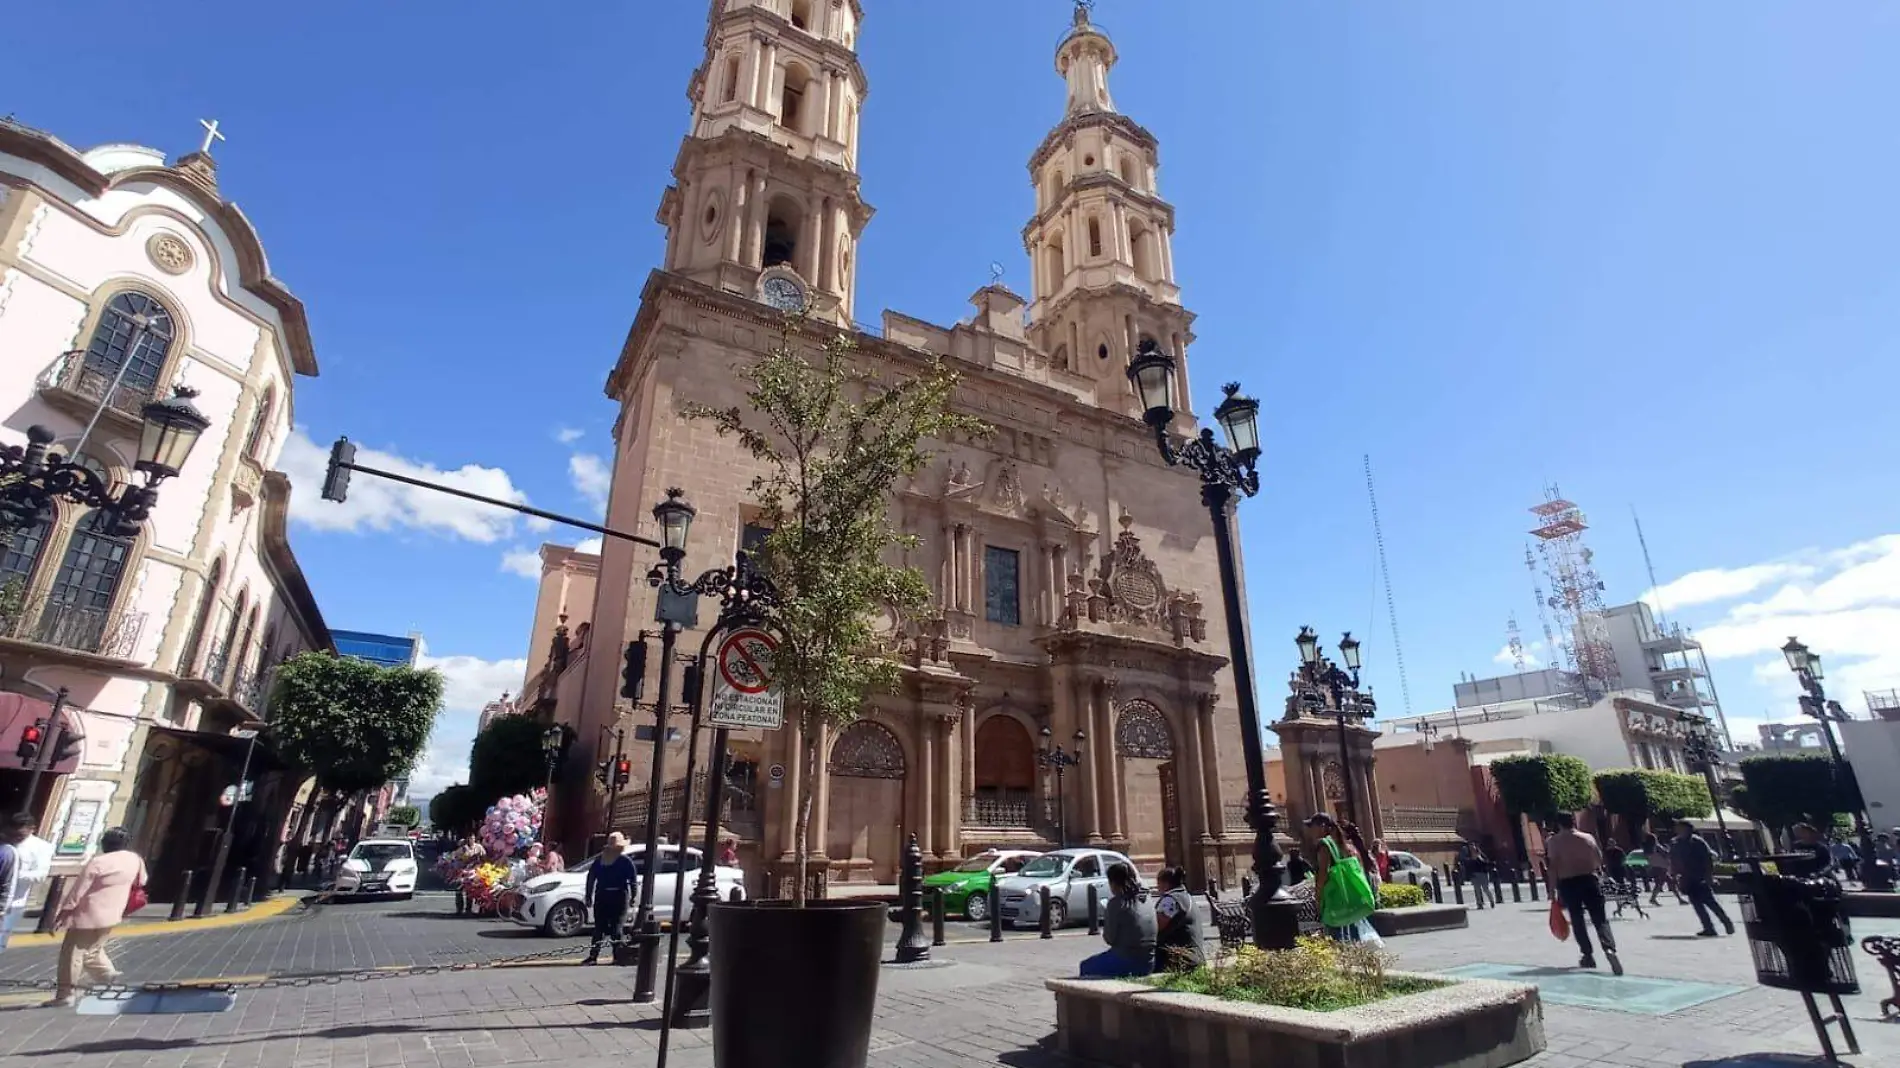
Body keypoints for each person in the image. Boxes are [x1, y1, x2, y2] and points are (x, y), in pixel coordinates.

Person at [46, 826, 145, 1006]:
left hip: (87, 914)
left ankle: (65, 994)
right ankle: (107, 975)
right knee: (94, 949)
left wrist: (64, 912)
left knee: (72, 954)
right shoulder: (134, 859)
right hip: (114, 912)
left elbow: (78, 891)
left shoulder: (98, 862)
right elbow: (142, 880)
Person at [1548, 814, 1620, 974]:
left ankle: (1587, 955)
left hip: (1568, 883)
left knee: (1577, 919)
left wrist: (1551, 889)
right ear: (1573, 822)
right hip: (1589, 879)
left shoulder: (1554, 841)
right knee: (1600, 918)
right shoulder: (1587, 837)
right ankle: (1609, 948)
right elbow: (1598, 859)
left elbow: (1553, 866)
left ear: (1559, 824)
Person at [1306, 813, 1383, 945]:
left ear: (1322, 827)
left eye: (1312, 826)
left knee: (1337, 937)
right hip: (1351, 900)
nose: (1310, 831)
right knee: (1352, 938)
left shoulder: (1324, 845)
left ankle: (1344, 961)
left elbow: (1323, 874)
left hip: (1335, 900)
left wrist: (1318, 898)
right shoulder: (1347, 847)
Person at [1078, 862, 1156, 978]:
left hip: (1126, 961)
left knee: (1085, 966)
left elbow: (1109, 938)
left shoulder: (1117, 903)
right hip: (1150, 961)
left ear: (1113, 883)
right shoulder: (1147, 898)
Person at [1670, 820, 1733, 937]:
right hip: (1687, 878)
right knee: (1697, 905)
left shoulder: (1698, 841)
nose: (1677, 829)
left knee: (1710, 902)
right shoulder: (1675, 843)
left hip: (1700, 877)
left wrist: (1709, 875)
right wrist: (1674, 874)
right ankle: (1709, 928)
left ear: (1687, 829)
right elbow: (1674, 860)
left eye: (1680, 827)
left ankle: (1726, 922)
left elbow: (1707, 859)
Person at [583, 832, 637, 965]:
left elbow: (591, 878)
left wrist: (589, 895)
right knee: (617, 928)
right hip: (619, 896)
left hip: (602, 895)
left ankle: (593, 956)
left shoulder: (600, 860)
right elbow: (633, 880)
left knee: (599, 928)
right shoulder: (625, 861)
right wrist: (633, 896)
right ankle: (617, 956)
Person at [3, 813, 51, 953]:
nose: (16, 838)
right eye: (13, 834)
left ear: (32, 829)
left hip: (13, 903)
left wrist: (13, 874)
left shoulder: (41, 847)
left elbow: (41, 875)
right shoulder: (5, 842)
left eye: (20, 835)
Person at [1151, 866, 1204, 973]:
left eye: (1158, 883)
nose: (1157, 887)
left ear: (1165, 883)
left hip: (1181, 958)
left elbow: (1156, 927)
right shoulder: (1186, 896)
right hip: (1192, 955)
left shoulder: (1171, 900)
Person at [1641, 830, 1684, 905]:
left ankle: (1680, 899)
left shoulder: (1647, 849)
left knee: (1669, 883)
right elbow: (1666, 854)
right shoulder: (1657, 847)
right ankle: (1653, 899)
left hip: (1655, 867)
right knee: (1660, 884)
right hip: (1661, 867)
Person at [1459, 840, 1499, 906]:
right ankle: (1479, 903)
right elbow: (1465, 863)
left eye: (1473, 845)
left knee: (1485, 889)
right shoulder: (1468, 855)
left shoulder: (1480, 853)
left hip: (1483, 874)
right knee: (1477, 889)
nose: (1472, 847)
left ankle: (1491, 901)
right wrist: (1471, 860)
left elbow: (1487, 862)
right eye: (1470, 846)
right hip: (1474, 874)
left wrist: (1480, 858)